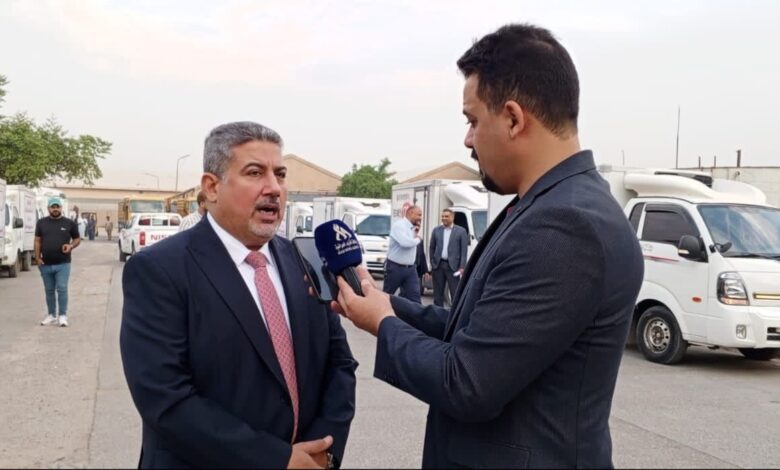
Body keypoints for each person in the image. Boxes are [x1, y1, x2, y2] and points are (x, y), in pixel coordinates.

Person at [331, 24, 644, 468]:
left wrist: (383, 324)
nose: (468, 139)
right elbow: (481, 331)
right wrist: (388, 306)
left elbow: (468, 382)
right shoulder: (549, 205)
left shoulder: (565, 225)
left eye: (473, 121)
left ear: (514, 119)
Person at [120, 121, 357, 469]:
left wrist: (324, 451)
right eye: (255, 173)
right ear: (211, 187)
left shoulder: (302, 259)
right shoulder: (159, 270)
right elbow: (165, 398)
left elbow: (339, 363)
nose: (274, 188)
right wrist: (277, 460)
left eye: (280, 174)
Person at [35, 197, 81, 327]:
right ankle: (51, 315)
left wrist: (71, 246)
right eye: (52, 207)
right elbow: (37, 241)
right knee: (49, 290)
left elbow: (77, 239)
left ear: (61, 208)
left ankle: (62, 315)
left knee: (62, 288)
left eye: (57, 207)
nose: (55, 209)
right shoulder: (41, 223)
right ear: (48, 208)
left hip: (63, 263)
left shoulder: (69, 223)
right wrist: (37, 258)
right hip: (45, 264)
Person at [382, 205, 423, 303]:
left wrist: (415, 234)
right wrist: (418, 239)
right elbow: (405, 243)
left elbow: (411, 244)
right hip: (395, 268)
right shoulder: (399, 226)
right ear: (410, 213)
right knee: (386, 296)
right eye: (419, 215)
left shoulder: (412, 228)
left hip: (410, 269)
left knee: (415, 298)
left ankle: (415, 313)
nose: (420, 218)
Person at [428, 209, 468, 306]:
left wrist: (462, 267)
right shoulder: (436, 230)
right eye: (442, 216)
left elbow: (464, 251)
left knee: (455, 294)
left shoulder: (461, 231)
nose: (444, 218)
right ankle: (438, 314)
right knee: (438, 295)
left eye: (446, 216)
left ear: (452, 217)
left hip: (453, 267)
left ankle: (454, 315)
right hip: (438, 266)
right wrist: (432, 263)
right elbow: (432, 247)